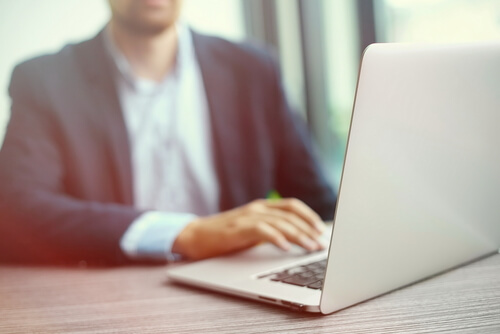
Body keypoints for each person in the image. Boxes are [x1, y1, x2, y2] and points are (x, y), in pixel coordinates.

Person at [0, 0, 336, 265]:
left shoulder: (253, 69)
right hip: (112, 299)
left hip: (239, 289)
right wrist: (186, 234)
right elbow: (16, 212)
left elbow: (318, 205)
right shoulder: (45, 80)